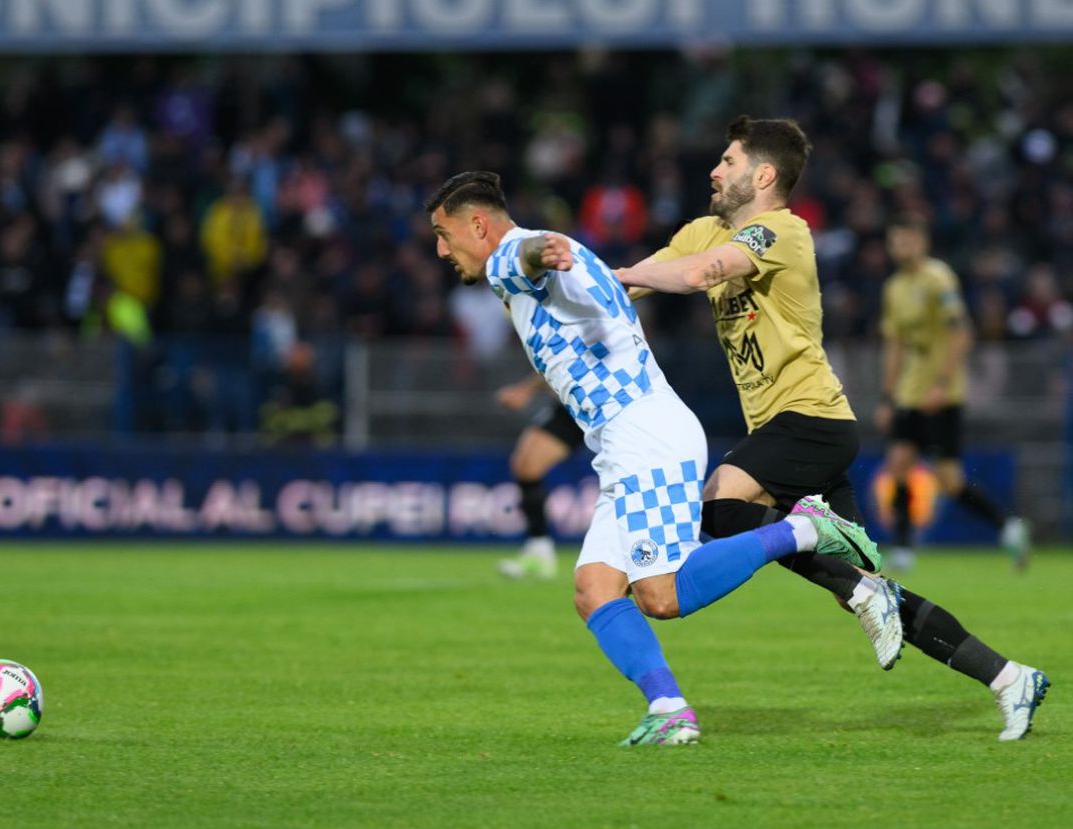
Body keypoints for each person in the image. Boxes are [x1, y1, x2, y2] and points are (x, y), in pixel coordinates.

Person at [615, 116, 1049, 741]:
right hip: (786, 430)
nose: (714, 170)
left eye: (728, 161)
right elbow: (636, 280)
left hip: (812, 418)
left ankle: (817, 540)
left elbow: (694, 275)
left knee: (717, 504)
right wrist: (563, 283)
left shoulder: (782, 232)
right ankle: (1010, 677)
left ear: (763, 175)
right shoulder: (703, 230)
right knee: (868, 590)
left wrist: (623, 277)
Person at [426, 170, 895, 747]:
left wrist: (533, 251)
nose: (441, 249)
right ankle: (669, 708)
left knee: (661, 596)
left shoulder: (514, 256)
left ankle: (805, 528)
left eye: (444, 233)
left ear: (478, 224)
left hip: (644, 435)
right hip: (623, 442)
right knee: (594, 589)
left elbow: (521, 258)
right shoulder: (555, 259)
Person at [876, 213, 1031, 571]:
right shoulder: (894, 288)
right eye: (896, 240)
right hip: (908, 393)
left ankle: (1007, 527)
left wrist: (941, 384)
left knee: (948, 480)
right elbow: (894, 346)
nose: (902, 247)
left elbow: (962, 334)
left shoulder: (938, 278)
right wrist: (888, 397)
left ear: (923, 242)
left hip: (941, 396)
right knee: (899, 465)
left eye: (908, 239)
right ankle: (902, 548)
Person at [494, 372, 582, 580]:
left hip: (606, 402)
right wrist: (526, 389)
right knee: (526, 466)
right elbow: (554, 362)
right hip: (571, 405)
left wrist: (524, 390)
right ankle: (539, 551)